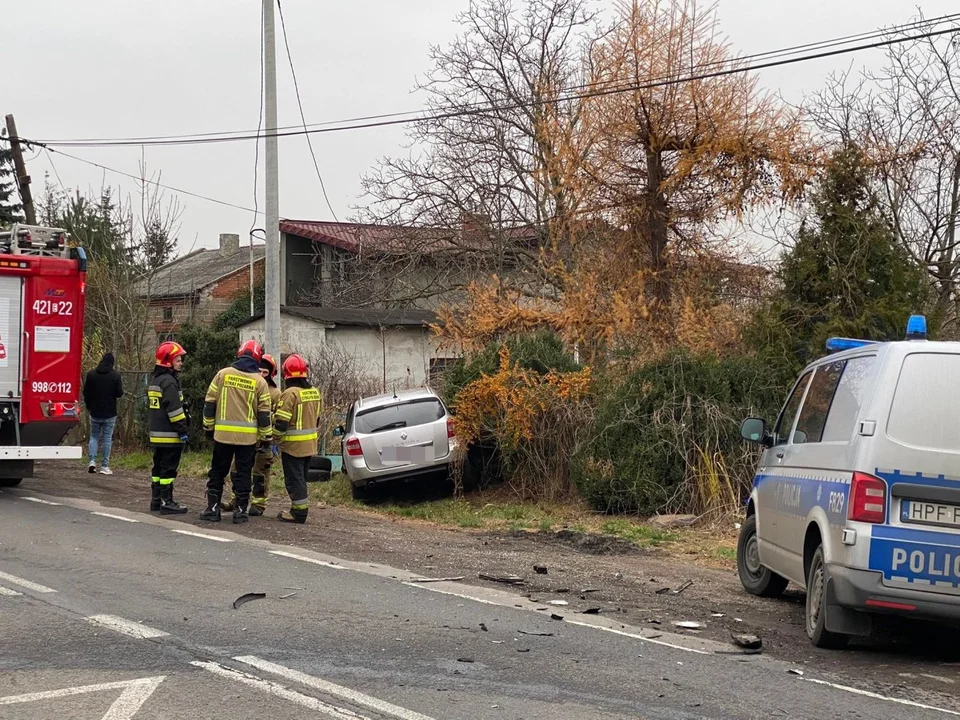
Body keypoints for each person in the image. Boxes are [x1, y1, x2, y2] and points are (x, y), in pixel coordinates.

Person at [201, 339, 272, 523]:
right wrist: (266, 438)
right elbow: (264, 414)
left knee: (217, 472)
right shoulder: (260, 382)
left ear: (239, 354)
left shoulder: (222, 375)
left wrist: (208, 427)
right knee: (243, 474)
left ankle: (213, 509)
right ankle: (240, 512)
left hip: (222, 435)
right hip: (247, 439)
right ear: (257, 358)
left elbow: (209, 403)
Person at [221, 353, 281, 516]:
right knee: (237, 471)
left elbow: (279, 417)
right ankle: (236, 500)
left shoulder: (275, 394)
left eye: (265, 373)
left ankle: (259, 504)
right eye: (259, 371)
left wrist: (270, 434)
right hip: (244, 438)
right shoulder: (249, 385)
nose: (261, 375)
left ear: (271, 374)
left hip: (264, 441)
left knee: (260, 474)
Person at [273, 354, 321, 524]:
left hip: (293, 447)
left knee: (294, 480)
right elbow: (317, 419)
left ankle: (299, 513)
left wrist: (274, 442)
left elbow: (281, 423)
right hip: (310, 445)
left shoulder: (289, 394)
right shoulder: (314, 393)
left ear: (286, 375)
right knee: (301, 478)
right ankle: (298, 509)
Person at [147, 341, 189, 514]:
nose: (181, 363)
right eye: (178, 360)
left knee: (157, 468)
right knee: (168, 470)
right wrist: (183, 430)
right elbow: (175, 410)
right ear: (168, 361)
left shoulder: (155, 380)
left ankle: (156, 500)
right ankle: (167, 502)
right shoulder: (169, 382)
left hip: (157, 435)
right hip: (170, 435)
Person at [82, 352, 124, 475]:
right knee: (107, 438)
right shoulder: (115, 376)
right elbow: (119, 393)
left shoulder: (91, 375)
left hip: (94, 411)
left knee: (94, 436)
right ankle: (104, 466)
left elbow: (86, 393)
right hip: (110, 412)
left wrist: (89, 406)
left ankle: (92, 461)